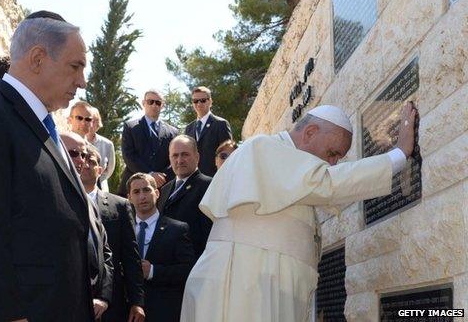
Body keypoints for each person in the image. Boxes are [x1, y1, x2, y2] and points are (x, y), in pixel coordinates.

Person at [180, 103, 418, 322]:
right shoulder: (263, 147)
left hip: (263, 283)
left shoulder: (291, 171)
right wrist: (398, 154)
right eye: (333, 153)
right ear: (310, 132)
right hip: (244, 285)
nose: (333, 164)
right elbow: (328, 183)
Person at [0, 11, 96, 321]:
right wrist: (8, 313)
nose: (82, 81)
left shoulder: (46, 127)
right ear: (38, 58)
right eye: (75, 66)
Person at [81, 145, 146, 322]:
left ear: (100, 170)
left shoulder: (120, 205)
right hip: (73, 299)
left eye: (91, 161)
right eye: (82, 159)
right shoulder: (60, 201)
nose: (86, 164)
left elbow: (130, 257)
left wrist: (137, 301)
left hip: (112, 302)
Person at [60, 132, 115, 321]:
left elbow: (105, 254)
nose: (80, 160)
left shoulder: (89, 202)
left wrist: (104, 297)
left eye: (83, 155)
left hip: (92, 308)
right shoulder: (45, 196)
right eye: (73, 153)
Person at [127, 173, 195, 322]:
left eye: (147, 190)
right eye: (136, 192)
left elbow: (187, 270)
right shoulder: (123, 230)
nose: (142, 196)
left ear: (157, 193)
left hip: (164, 311)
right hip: (127, 312)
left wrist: (152, 271)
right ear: (129, 198)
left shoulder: (177, 229)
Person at [157, 135, 213, 259]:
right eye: (175, 155)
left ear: (197, 157)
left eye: (185, 155)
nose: (180, 160)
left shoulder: (209, 186)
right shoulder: (165, 189)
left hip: (194, 264)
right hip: (166, 267)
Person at [119, 90, 178, 195]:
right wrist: (149, 174)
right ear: (143, 103)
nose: (154, 105)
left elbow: (173, 157)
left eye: (158, 102)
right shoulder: (131, 127)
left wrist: (161, 177)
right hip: (134, 186)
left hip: (163, 187)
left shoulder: (172, 132)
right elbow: (128, 155)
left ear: (162, 105)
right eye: (150, 102)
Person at [184, 86, 232, 177]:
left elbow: (227, 154)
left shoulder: (221, 124)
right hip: (194, 180)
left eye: (202, 100)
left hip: (215, 179)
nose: (199, 104)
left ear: (210, 102)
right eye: (195, 101)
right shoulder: (189, 128)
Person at [86, 107, 116, 193]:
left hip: (101, 187)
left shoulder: (107, 144)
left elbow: (110, 169)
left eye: (94, 121)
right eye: (89, 120)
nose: (91, 124)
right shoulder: (75, 141)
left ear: (98, 123)